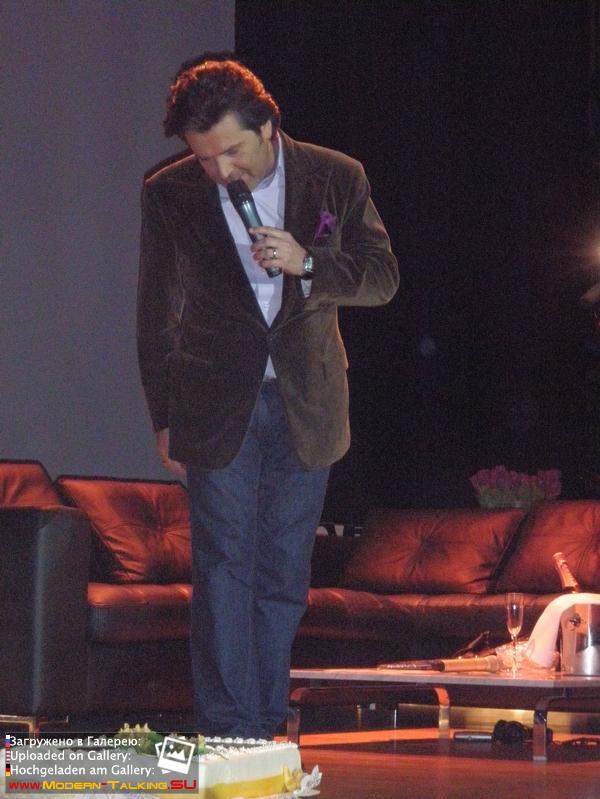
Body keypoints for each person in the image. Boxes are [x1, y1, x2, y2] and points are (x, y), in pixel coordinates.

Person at [137, 57, 399, 738]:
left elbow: (382, 277)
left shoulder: (336, 176)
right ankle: (229, 732)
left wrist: (307, 262)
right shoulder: (169, 193)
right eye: (204, 157)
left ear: (268, 126)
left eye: (231, 151)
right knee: (223, 567)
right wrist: (164, 415)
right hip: (213, 403)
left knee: (284, 570)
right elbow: (155, 313)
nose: (219, 170)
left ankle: (262, 724)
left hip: (307, 402)